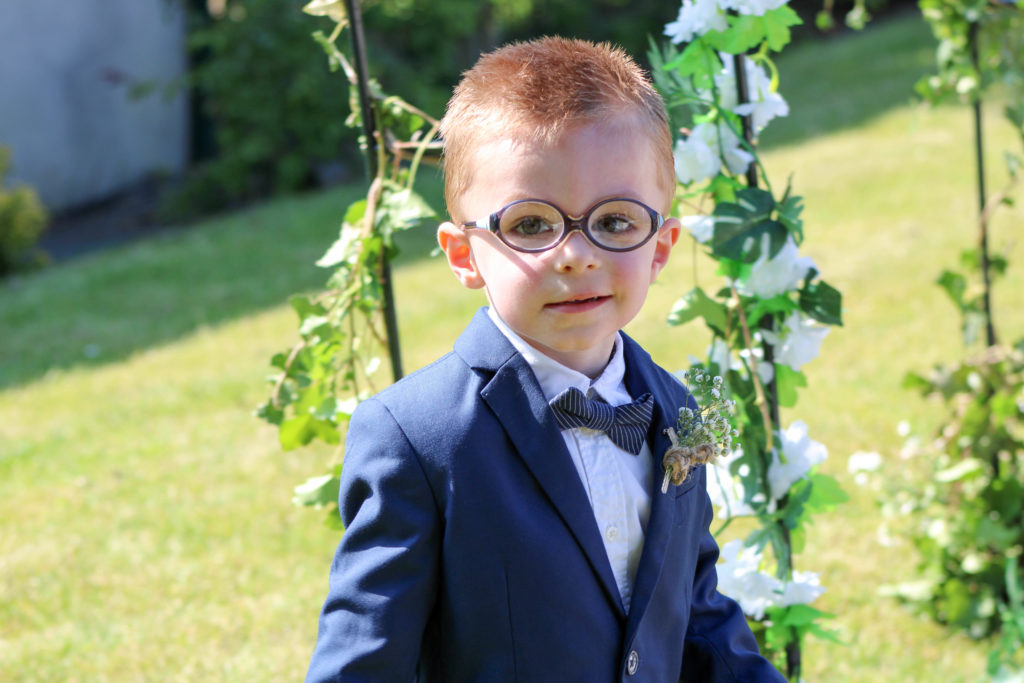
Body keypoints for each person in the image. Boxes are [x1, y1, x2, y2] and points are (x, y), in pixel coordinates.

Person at [305, 36, 784, 682]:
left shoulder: (676, 409)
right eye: (531, 225)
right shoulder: (419, 438)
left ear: (661, 247)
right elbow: (362, 667)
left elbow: (694, 614)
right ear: (464, 255)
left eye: (615, 222)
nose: (577, 256)